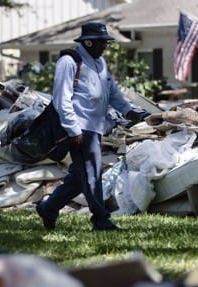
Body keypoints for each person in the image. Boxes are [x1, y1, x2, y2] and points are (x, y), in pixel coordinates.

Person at [35, 22, 145, 231]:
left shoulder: (100, 62)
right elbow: (61, 99)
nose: (105, 46)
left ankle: (49, 207)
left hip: (96, 128)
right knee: (91, 174)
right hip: (80, 128)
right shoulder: (69, 62)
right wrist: (73, 129)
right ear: (88, 42)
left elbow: (112, 92)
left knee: (80, 176)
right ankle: (100, 219)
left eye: (107, 42)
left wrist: (129, 111)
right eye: (102, 42)